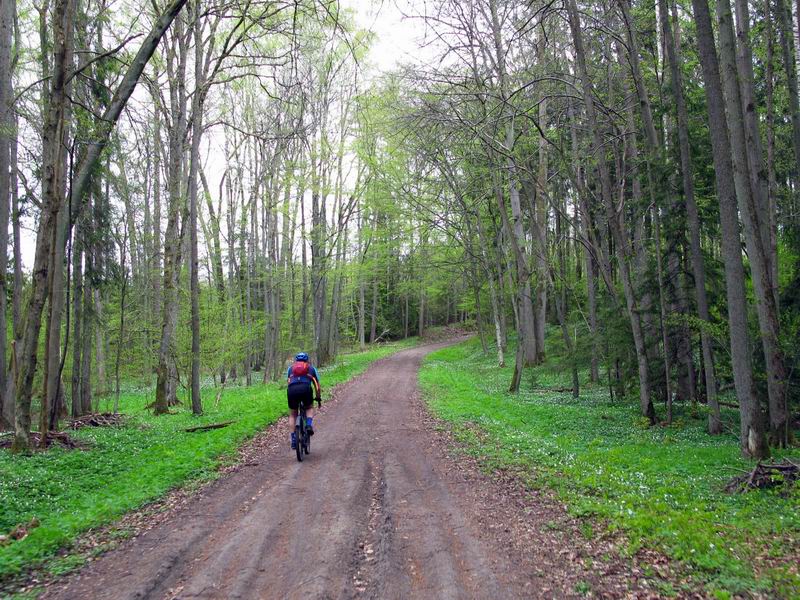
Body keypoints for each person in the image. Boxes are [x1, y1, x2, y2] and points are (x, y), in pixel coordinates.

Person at [287, 352, 321, 450]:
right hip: (306, 389)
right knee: (309, 407)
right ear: (307, 360)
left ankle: (293, 438)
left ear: (296, 360)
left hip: (292, 390)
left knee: (293, 414)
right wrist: (318, 398)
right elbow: (317, 386)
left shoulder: (290, 369)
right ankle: (309, 425)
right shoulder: (311, 368)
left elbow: (288, 382)